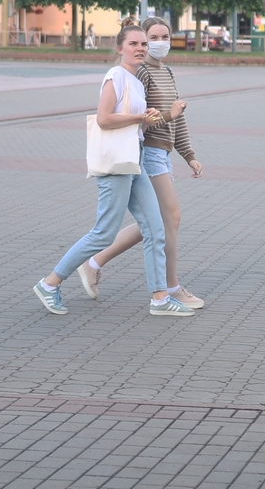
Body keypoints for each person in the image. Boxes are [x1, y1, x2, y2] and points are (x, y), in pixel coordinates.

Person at [33, 25, 194, 318]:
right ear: (120, 48)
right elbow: (105, 119)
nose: (141, 48)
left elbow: (139, 125)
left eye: (143, 44)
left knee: (155, 228)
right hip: (116, 164)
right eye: (134, 43)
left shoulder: (135, 80)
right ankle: (49, 283)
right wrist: (138, 116)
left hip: (135, 160)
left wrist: (161, 117)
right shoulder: (115, 77)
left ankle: (160, 299)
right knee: (103, 234)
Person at [79, 17, 205, 309]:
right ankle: (170, 288)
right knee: (169, 218)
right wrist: (168, 115)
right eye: (152, 38)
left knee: (156, 221)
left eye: (164, 37)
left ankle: (94, 262)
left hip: (164, 152)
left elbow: (177, 118)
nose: (160, 43)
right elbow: (142, 119)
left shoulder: (166, 71)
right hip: (147, 151)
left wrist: (189, 154)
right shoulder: (142, 73)